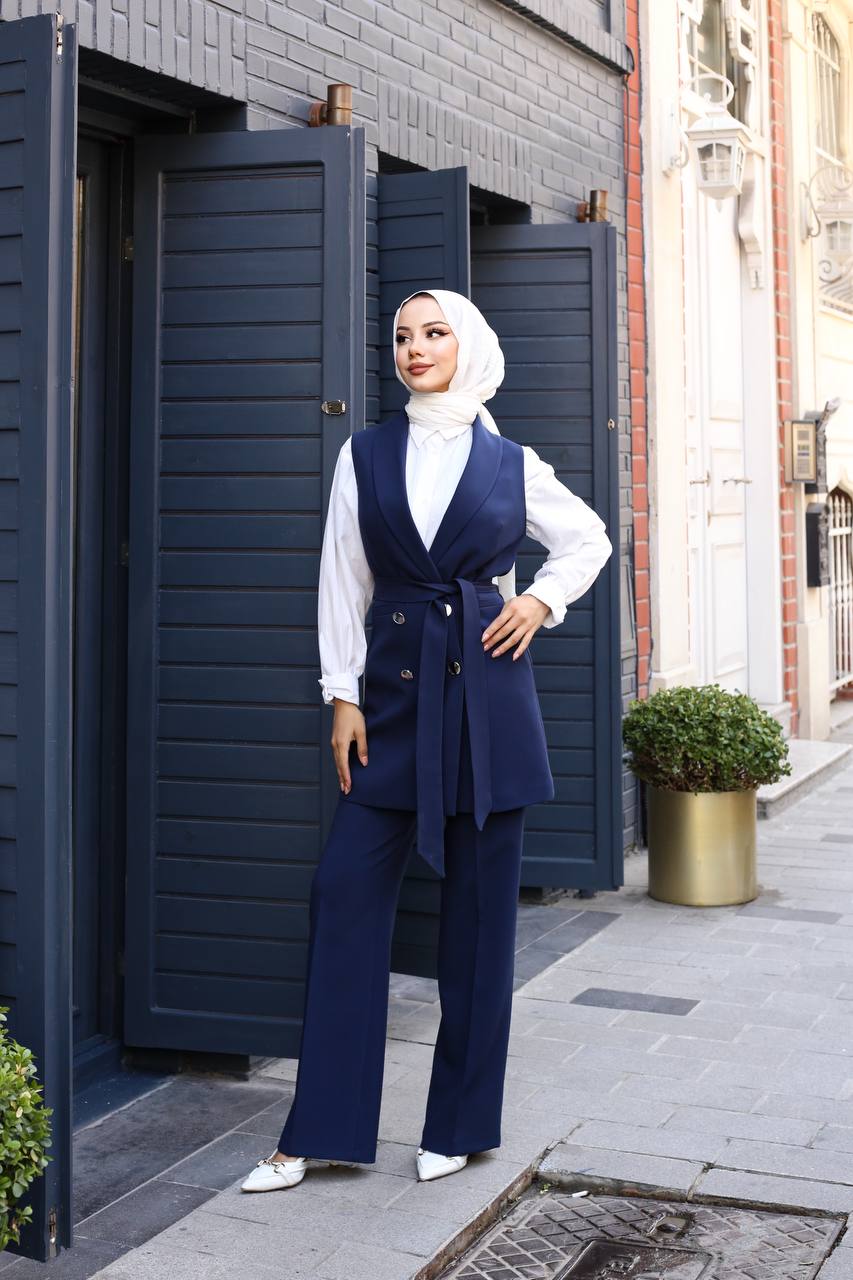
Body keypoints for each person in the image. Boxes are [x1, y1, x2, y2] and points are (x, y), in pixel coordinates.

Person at [240, 289, 612, 1193]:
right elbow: (343, 576)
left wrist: (539, 600)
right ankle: (320, 1131)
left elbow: (588, 539)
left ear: (467, 345)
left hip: (489, 705)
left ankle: (460, 1126)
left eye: (434, 332)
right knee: (343, 896)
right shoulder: (364, 452)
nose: (415, 347)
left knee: (480, 927)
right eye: (403, 335)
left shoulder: (512, 462)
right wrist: (341, 695)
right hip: (392, 708)